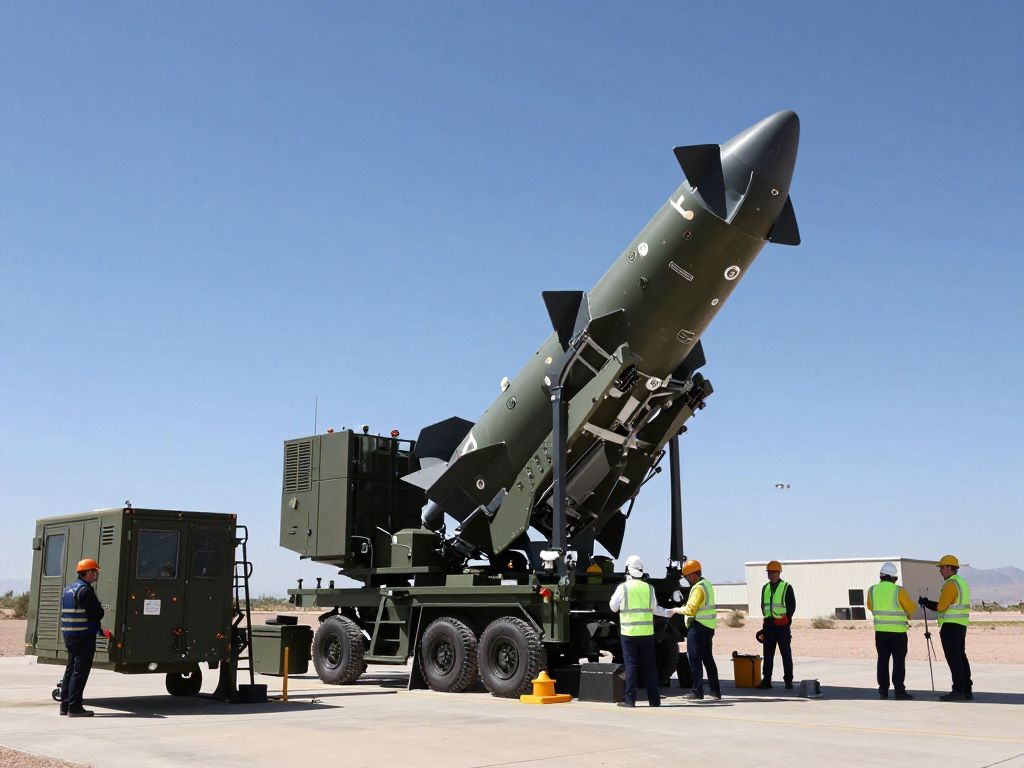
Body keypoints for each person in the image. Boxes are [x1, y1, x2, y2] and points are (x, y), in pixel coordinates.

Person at [608, 554, 676, 707]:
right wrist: (667, 612)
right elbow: (655, 609)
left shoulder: (623, 588)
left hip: (629, 633)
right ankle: (654, 700)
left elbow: (613, 607)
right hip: (646, 634)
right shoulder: (649, 588)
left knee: (631, 666)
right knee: (650, 667)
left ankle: (630, 700)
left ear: (627, 569)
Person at [919, 554, 972, 701]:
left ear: (949, 568)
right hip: (960, 625)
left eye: (942, 568)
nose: (940, 571)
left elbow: (942, 606)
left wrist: (927, 603)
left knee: (954, 659)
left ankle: (958, 690)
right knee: (961, 657)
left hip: (951, 626)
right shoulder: (962, 582)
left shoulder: (951, 583)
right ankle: (967, 689)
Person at [60, 558, 106, 717]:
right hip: (83, 636)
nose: (96, 574)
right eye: (95, 571)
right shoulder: (85, 591)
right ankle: (75, 708)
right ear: (89, 572)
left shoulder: (68, 589)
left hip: (70, 635)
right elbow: (98, 613)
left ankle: (65, 706)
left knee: (71, 669)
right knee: (80, 671)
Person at [867, 562, 916, 699]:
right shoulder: (899, 591)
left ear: (881, 576)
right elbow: (910, 609)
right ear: (894, 578)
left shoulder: (872, 590)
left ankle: (883, 690)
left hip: (880, 632)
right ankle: (899, 691)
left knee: (882, 660)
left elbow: (870, 606)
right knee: (898, 661)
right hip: (898, 633)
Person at [676, 559, 721, 701]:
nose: (687, 580)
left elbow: (691, 609)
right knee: (708, 660)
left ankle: (697, 691)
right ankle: (715, 691)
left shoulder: (698, 588)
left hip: (698, 628)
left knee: (695, 660)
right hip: (708, 627)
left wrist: (675, 610)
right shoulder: (707, 584)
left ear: (693, 574)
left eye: (687, 577)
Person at [757, 560, 795, 690]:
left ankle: (788, 681)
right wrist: (766, 625)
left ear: (779, 572)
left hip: (782, 627)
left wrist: (786, 620)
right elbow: (763, 606)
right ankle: (767, 680)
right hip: (769, 627)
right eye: (769, 572)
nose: (771, 575)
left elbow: (791, 607)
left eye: (773, 572)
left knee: (786, 654)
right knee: (768, 655)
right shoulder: (765, 588)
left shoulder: (786, 587)